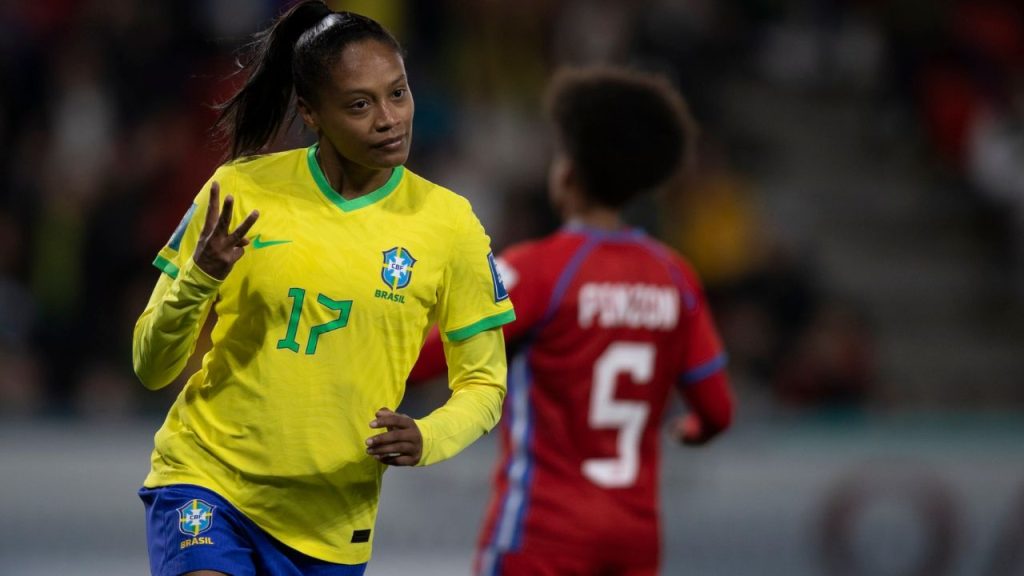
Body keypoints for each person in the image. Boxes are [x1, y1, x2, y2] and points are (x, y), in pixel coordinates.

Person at [132, 2, 515, 575]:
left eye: (398, 93)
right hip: (209, 479)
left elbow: (484, 383)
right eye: (360, 104)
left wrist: (428, 436)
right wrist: (199, 277)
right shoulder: (237, 192)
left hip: (331, 523)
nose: (389, 119)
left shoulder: (450, 224)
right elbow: (150, 365)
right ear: (310, 112)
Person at [410, 66, 736, 576]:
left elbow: (423, 361)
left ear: (568, 174)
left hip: (545, 531)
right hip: (635, 537)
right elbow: (717, 410)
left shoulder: (539, 271)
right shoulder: (675, 277)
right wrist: (692, 429)